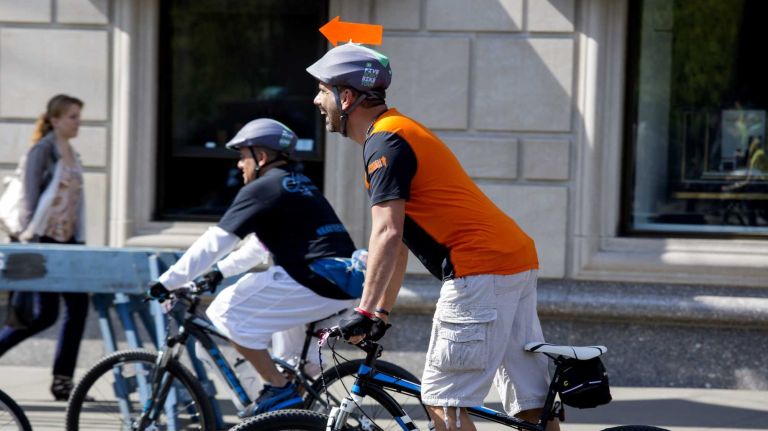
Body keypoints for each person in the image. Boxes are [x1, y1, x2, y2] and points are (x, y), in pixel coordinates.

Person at [307, 44, 560, 431]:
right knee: (529, 401)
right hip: (511, 261)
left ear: (346, 97)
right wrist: (378, 314)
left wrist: (364, 311)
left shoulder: (385, 143)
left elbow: (387, 233)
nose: (316, 99)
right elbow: (402, 244)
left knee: (444, 401)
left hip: (478, 269)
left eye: (322, 90)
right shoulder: (398, 131)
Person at [147, 118, 362, 417]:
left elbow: (215, 241)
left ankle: (276, 388)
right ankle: (289, 416)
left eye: (242, 156)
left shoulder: (263, 189)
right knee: (292, 363)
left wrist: (166, 282)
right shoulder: (299, 185)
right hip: (342, 282)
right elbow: (259, 247)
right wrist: (218, 273)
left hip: (315, 280)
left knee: (225, 311)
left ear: (260, 157)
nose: (239, 165)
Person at [0, 94, 90, 401]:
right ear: (55, 119)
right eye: (72, 116)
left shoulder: (73, 155)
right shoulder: (42, 151)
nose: (78, 122)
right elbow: (28, 198)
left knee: (78, 309)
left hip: (69, 244)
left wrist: (80, 239)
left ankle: (62, 382)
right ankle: (61, 382)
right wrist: (27, 243)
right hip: (43, 243)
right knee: (43, 316)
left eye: (79, 116)